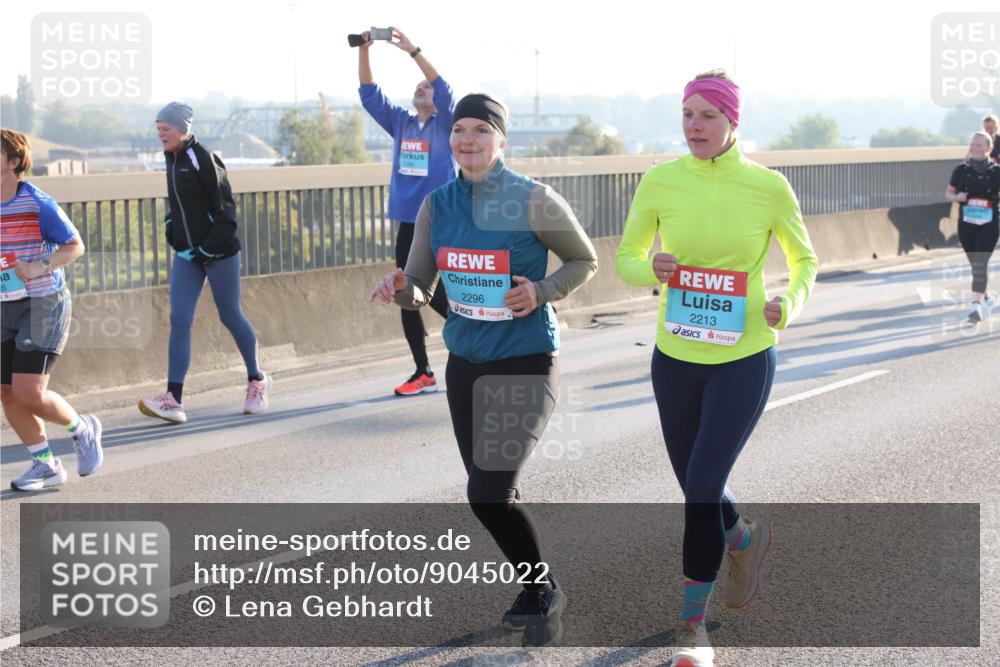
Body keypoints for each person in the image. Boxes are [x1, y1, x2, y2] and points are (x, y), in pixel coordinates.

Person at [370, 93, 597, 648]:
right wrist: (400, 288)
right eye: (459, 130)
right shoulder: (437, 205)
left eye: (480, 130)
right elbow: (421, 288)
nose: (467, 140)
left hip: (526, 362)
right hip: (466, 366)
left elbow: (584, 260)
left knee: (488, 492)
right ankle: (539, 589)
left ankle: (543, 593)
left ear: (501, 140)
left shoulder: (533, 199)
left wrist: (540, 291)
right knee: (492, 493)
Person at [615, 71, 818, 667]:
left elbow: (805, 260)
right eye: (687, 114)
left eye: (708, 116)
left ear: (733, 122)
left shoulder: (768, 187)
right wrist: (650, 269)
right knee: (696, 485)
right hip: (675, 357)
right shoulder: (660, 180)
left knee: (701, 491)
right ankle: (745, 540)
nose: (694, 126)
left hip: (743, 356)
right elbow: (626, 257)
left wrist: (788, 304)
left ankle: (692, 629)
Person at [137, 103, 270, 424]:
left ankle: (257, 380)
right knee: (179, 320)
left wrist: (208, 249)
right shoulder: (172, 158)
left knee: (230, 315)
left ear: (183, 130)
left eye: (166, 129)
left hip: (219, 252)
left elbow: (226, 211)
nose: (161, 134)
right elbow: (179, 205)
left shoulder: (203, 158)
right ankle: (173, 399)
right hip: (188, 255)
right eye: (158, 128)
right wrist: (171, 228)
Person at [1, 128, 103, 491]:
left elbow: (74, 246)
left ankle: (82, 429)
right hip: (4, 304)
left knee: (29, 392)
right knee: (7, 391)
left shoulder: (37, 203)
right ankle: (45, 465)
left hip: (44, 303)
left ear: (14, 162)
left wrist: (37, 266)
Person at [358, 26, 454, 396]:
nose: (421, 87)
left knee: (442, 293)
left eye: (425, 87)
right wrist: (364, 49)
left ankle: (479, 335)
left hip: (441, 220)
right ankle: (422, 371)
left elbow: (443, 88)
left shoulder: (446, 125)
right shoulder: (401, 123)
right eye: (417, 86)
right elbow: (370, 95)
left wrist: (413, 51)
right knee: (405, 293)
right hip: (408, 223)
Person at [946, 131, 999, 323]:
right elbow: (949, 193)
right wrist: (957, 197)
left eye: (979, 145)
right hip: (967, 224)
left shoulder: (996, 171)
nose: (975, 148)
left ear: (989, 148)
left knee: (979, 263)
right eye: (973, 144)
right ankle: (985, 297)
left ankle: (976, 307)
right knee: (974, 264)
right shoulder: (961, 170)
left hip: (989, 223)